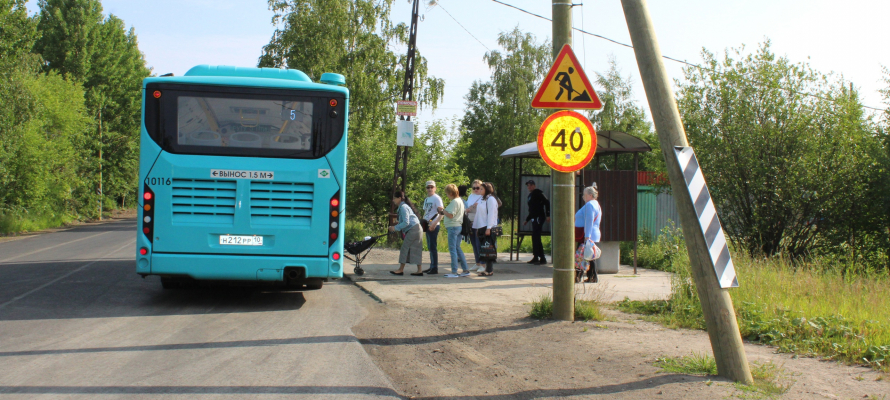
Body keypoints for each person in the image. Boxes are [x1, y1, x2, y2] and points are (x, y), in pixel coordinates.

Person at [389, 191, 424, 276]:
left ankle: (400, 270)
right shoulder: (403, 206)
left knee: (405, 248)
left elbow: (406, 222)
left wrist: (394, 228)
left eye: (395, 198)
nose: (393, 200)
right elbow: (405, 221)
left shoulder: (403, 207)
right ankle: (419, 271)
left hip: (413, 229)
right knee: (416, 249)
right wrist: (397, 225)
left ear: (400, 198)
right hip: (417, 228)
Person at [441, 184, 471, 278]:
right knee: (457, 248)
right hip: (458, 226)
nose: (447, 195)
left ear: (450, 193)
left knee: (452, 249)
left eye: (447, 194)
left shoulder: (454, 202)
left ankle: (454, 271)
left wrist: (442, 210)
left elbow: (450, 215)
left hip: (453, 227)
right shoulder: (460, 201)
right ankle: (465, 269)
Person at [574, 186, 602, 283]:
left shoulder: (590, 205)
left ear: (590, 195)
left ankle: (578, 276)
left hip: (586, 235)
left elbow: (589, 221)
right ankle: (592, 276)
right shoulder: (595, 204)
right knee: (589, 256)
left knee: (581, 255)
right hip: (590, 234)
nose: (583, 197)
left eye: (585, 194)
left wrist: (587, 237)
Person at [473, 182, 499, 276]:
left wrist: (489, 228)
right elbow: (478, 214)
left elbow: (492, 214)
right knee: (483, 249)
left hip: (488, 227)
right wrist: (476, 227)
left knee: (488, 248)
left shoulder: (491, 199)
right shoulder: (481, 199)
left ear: (487, 189)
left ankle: (489, 270)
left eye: (481, 189)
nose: (479, 190)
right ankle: (485, 269)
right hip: (481, 226)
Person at [522, 180, 550, 265]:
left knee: (536, 237)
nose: (529, 187)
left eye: (530, 185)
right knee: (535, 237)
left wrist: (547, 214)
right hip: (534, 217)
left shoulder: (538, 193)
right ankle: (538, 257)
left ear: (534, 186)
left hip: (539, 217)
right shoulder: (530, 195)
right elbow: (532, 209)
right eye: (528, 186)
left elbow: (547, 202)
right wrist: (527, 219)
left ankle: (540, 257)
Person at [421, 180, 444, 275]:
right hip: (427, 224)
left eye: (431, 187)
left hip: (433, 225)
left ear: (435, 188)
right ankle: (432, 266)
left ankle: (435, 267)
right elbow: (426, 212)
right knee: (430, 246)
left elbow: (441, 213)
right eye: (428, 187)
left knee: (433, 247)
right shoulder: (427, 199)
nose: (430, 189)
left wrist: (434, 224)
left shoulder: (437, 198)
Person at [465, 179, 484, 271]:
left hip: (479, 221)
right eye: (474, 188)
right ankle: (477, 262)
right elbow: (467, 207)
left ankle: (482, 264)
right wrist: (468, 209)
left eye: (478, 187)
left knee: (478, 243)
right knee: (473, 243)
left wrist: (477, 206)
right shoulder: (471, 196)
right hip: (470, 221)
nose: (476, 189)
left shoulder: (483, 197)